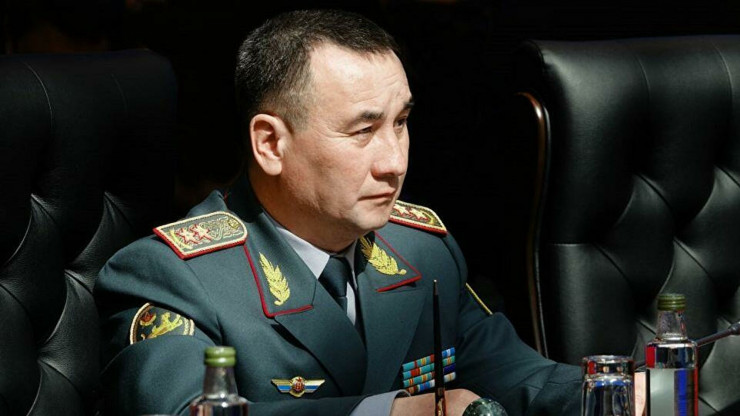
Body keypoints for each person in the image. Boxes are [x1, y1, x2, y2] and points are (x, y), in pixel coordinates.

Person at [95, 9, 639, 416]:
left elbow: (512, 372)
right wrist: (390, 413)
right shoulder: (173, 276)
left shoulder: (422, 249)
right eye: (363, 130)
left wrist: (619, 390)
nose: (394, 162)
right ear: (270, 144)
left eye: (400, 123)